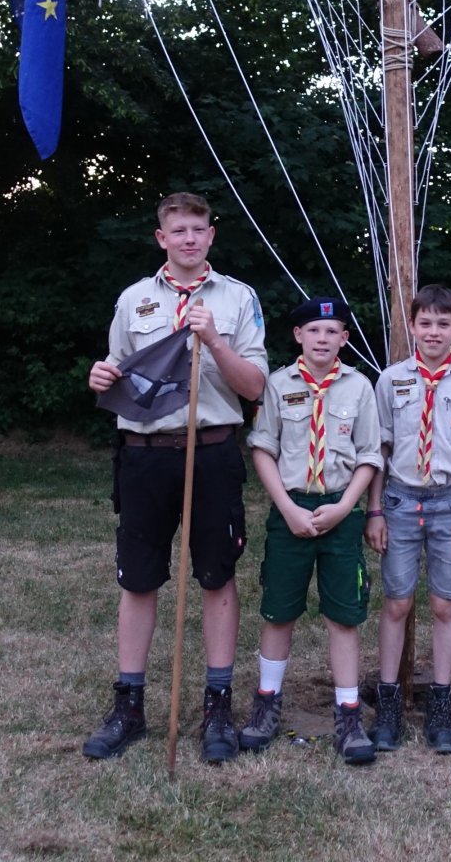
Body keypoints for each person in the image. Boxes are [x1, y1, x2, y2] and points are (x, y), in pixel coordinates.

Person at [82, 192, 268, 764]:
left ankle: (217, 705)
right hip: (145, 454)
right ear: (161, 238)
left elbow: (256, 388)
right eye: (177, 230)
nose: (189, 238)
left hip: (211, 451)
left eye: (198, 229)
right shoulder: (134, 299)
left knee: (216, 575)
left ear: (212, 236)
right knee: (138, 579)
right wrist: (99, 376)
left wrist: (213, 339)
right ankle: (129, 704)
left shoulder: (238, 299)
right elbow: (119, 376)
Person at [239, 296, 384, 764]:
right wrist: (286, 508)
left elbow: (369, 455)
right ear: (299, 335)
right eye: (314, 331)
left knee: (344, 614)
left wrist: (346, 507)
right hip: (292, 508)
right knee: (279, 610)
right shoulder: (278, 386)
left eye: (333, 331)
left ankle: (347, 712)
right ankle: (266, 702)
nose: (323, 339)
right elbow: (263, 449)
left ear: (344, 338)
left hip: (340, 512)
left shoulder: (360, 388)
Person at [366, 284, 451, 753]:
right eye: (426, 323)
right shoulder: (390, 379)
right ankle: (390, 705)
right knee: (397, 602)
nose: (434, 332)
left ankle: (441, 707)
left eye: (444, 323)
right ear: (412, 327)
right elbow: (378, 450)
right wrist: (374, 510)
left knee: (444, 605)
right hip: (400, 500)